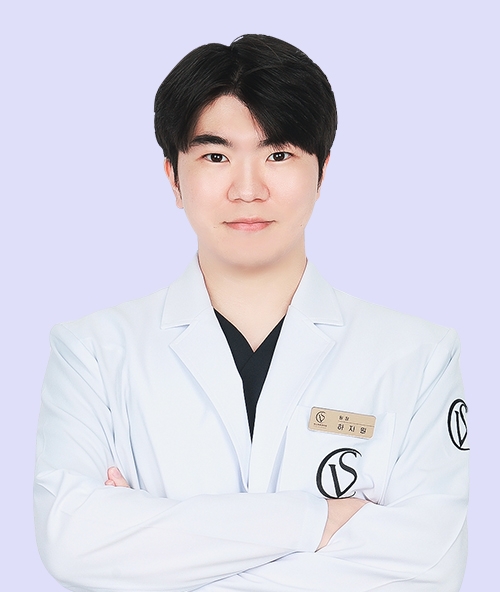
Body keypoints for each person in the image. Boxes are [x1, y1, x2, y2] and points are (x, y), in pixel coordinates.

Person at [34, 34, 469, 591]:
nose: (247, 189)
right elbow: (71, 542)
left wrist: (150, 548)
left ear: (322, 172)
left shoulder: (419, 356)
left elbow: (432, 566)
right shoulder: (92, 352)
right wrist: (320, 519)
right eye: (216, 156)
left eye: (278, 155)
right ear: (173, 178)